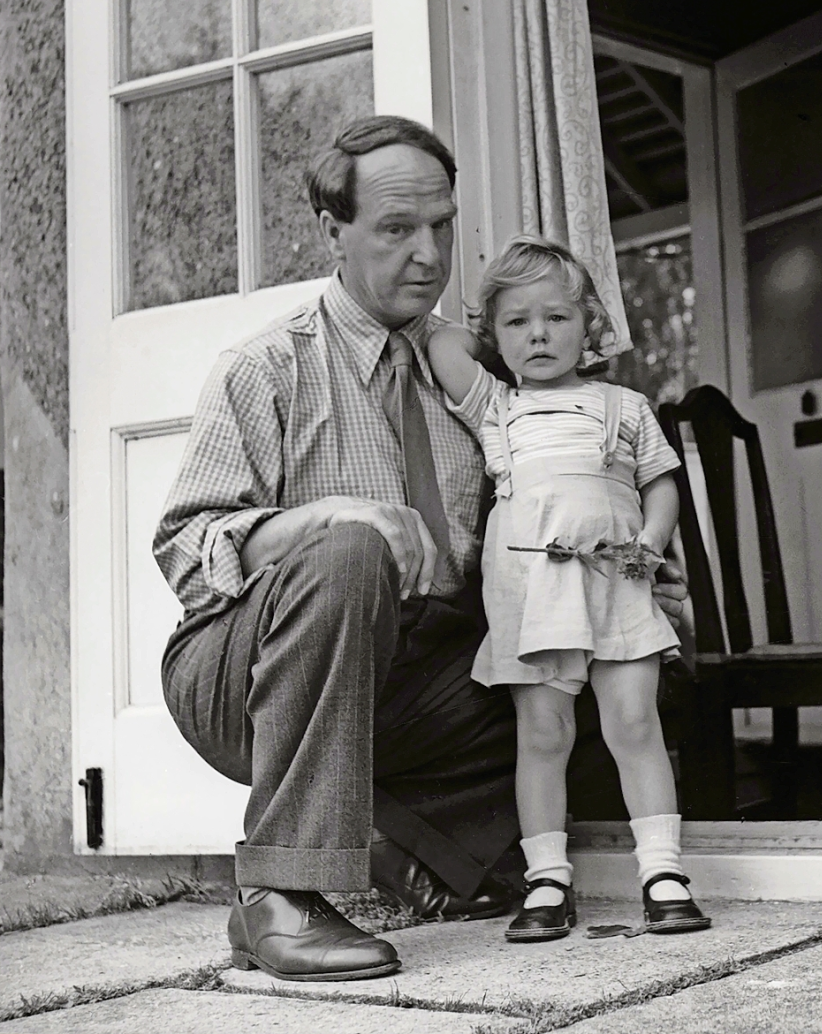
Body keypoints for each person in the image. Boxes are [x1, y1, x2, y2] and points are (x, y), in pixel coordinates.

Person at [154, 117, 687, 981]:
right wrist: (324, 519)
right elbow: (186, 551)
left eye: (442, 225)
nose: (429, 254)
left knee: (634, 653)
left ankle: (421, 850)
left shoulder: (486, 369)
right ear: (333, 231)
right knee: (351, 551)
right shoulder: (266, 367)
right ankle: (277, 893)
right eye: (398, 229)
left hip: (411, 673)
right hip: (244, 680)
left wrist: (616, 575)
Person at [427, 235, 711, 941]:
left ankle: (663, 870)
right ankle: (548, 877)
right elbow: (441, 348)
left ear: (589, 325)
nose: (538, 333)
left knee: (634, 724)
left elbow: (662, 486)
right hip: (535, 593)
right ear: (496, 335)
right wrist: (487, 324)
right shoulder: (498, 407)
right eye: (517, 322)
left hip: (617, 583)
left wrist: (651, 542)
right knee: (543, 734)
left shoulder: (623, 404)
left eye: (556, 316)